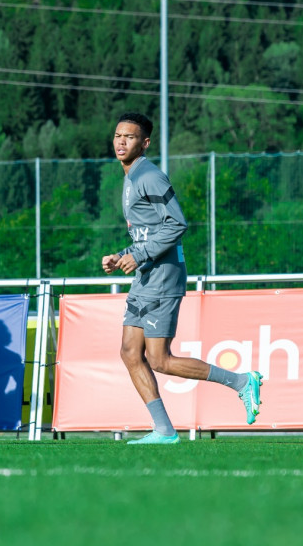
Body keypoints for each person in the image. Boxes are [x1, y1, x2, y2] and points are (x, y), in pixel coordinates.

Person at [101, 112, 262, 444]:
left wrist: (140, 256)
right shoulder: (130, 178)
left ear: (145, 143)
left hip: (163, 276)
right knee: (130, 352)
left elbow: (177, 224)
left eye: (130, 137)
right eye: (118, 135)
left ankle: (242, 382)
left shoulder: (149, 176)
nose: (121, 141)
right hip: (145, 275)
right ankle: (163, 430)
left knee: (159, 359)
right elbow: (148, 233)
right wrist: (122, 255)